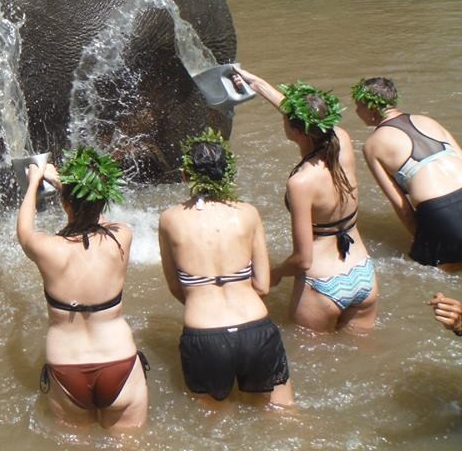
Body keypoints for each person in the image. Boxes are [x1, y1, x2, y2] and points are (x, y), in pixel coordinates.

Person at [236, 69, 379, 333]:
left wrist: (276, 272)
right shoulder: (341, 140)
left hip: (324, 283)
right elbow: (309, 118)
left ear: (297, 132)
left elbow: (303, 259)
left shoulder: (301, 182)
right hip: (363, 273)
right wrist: (257, 85)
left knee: (318, 358)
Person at [159, 129, 293, 406]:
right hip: (255, 326)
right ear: (228, 173)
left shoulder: (170, 219)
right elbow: (263, 286)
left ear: (186, 175)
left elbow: (175, 286)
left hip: (204, 332)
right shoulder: (248, 213)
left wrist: (202, 301)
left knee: (214, 424)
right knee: (282, 414)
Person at [17, 147, 148, 429]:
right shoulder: (121, 237)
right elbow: (95, 215)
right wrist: (68, 186)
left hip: (67, 366)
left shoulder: (47, 248)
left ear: (66, 202)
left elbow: (25, 231)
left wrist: (35, 182)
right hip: (118, 361)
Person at [352, 77, 462, 270]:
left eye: (358, 105)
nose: (356, 111)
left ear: (370, 106)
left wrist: (420, 240)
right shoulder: (428, 120)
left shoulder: (372, 145)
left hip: (441, 211)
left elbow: (401, 205)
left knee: (444, 270)